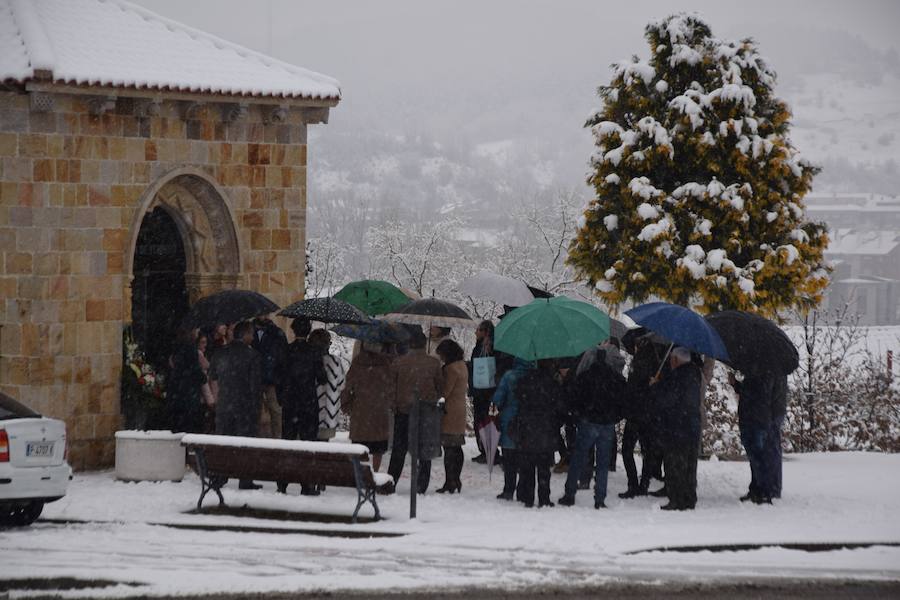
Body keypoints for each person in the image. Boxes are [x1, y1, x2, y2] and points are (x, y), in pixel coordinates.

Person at [559, 345, 627, 509]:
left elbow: (575, 399)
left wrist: (579, 415)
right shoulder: (615, 379)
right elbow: (623, 402)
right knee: (603, 463)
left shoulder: (585, 377)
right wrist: (614, 417)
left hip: (588, 421)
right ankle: (600, 498)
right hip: (607, 424)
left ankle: (570, 493)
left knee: (578, 458)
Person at [208, 320, 262, 490]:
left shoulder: (220, 352)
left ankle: (219, 476)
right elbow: (255, 385)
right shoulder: (252, 355)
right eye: (251, 334)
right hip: (245, 406)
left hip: (225, 404)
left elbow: (213, 375)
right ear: (245, 335)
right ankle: (245, 478)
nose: (252, 337)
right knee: (245, 443)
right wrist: (256, 408)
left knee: (223, 441)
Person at [388, 328, 443, 493]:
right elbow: (440, 388)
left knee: (399, 450)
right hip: (426, 411)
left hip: (403, 411)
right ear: (424, 343)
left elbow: (391, 387)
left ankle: (391, 481)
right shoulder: (434, 364)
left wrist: (395, 404)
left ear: (409, 344)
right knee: (424, 449)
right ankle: (421, 485)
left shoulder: (398, 362)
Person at [650, 347, 702, 510]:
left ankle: (677, 498)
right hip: (692, 425)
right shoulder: (695, 375)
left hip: (676, 426)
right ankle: (689, 497)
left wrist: (655, 386)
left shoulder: (676, 377)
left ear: (675, 360)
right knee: (689, 464)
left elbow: (666, 401)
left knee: (674, 464)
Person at [278, 318, 326, 494]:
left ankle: (282, 482)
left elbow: (279, 376)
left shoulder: (286, 350)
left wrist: (281, 397)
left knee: (287, 443)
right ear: (308, 332)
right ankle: (306, 484)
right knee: (308, 444)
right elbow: (322, 378)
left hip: (290, 403)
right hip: (308, 403)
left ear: (293, 331)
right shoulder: (314, 352)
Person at [731, 368, 788, 504]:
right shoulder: (760, 369)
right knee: (758, 454)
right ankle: (759, 488)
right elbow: (753, 391)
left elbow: (758, 393)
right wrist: (738, 385)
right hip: (758, 415)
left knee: (761, 455)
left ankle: (765, 490)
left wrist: (741, 387)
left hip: (760, 417)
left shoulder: (765, 370)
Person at [620, 334, 666, 498]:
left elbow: (633, 390)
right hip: (648, 414)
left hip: (636, 414)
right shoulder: (655, 363)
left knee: (627, 449)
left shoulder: (639, 364)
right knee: (647, 451)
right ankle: (643, 484)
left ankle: (634, 484)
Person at [514, 359, 564, 508]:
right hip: (546, 429)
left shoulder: (524, 382)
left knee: (528, 466)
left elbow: (519, 401)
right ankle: (544, 498)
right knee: (544, 468)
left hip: (527, 428)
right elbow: (559, 407)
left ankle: (528, 497)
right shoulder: (552, 384)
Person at [341, 341, 397, 472]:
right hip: (380, 411)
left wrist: (346, 404)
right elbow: (392, 387)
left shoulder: (357, 364)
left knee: (360, 445)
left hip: (360, 411)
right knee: (378, 447)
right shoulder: (387, 365)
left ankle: (362, 473)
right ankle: (375, 473)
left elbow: (348, 386)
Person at [491, 357, 535, 500]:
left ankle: (508, 489)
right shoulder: (534, 375)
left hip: (509, 421)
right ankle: (523, 490)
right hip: (528, 422)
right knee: (525, 459)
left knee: (509, 459)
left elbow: (498, 399)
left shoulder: (509, 376)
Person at [435, 339, 468, 494]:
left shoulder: (450, 369)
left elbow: (445, 392)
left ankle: (450, 481)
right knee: (456, 446)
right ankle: (456, 479)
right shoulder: (462, 365)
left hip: (449, 411)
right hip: (460, 409)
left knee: (449, 447)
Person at [307, 329, 348, 441]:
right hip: (329, 414)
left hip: (309, 413)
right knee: (323, 449)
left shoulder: (307, 360)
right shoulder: (335, 362)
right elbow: (342, 384)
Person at [469, 320, 500, 464]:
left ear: (484, 332)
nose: (476, 332)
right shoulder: (494, 347)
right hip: (490, 391)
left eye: (478, 330)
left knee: (481, 421)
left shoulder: (481, 348)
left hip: (481, 391)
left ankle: (487, 451)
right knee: (489, 420)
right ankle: (490, 450)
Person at [253, 315, 288, 438]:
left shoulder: (277, 333)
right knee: (255, 412)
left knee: (276, 411)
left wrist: (279, 377)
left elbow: (283, 357)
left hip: (272, 379)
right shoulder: (251, 331)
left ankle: (277, 441)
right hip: (255, 379)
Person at [167, 325, 207, 434]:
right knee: (189, 427)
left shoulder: (177, 347)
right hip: (188, 395)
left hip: (177, 393)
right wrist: (203, 376)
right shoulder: (190, 349)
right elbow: (195, 371)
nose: (198, 332)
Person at [197, 334, 216, 434]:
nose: (205, 345)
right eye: (202, 343)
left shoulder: (202, 356)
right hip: (202, 397)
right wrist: (210, 400)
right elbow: (204, 382)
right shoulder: (199, 356)